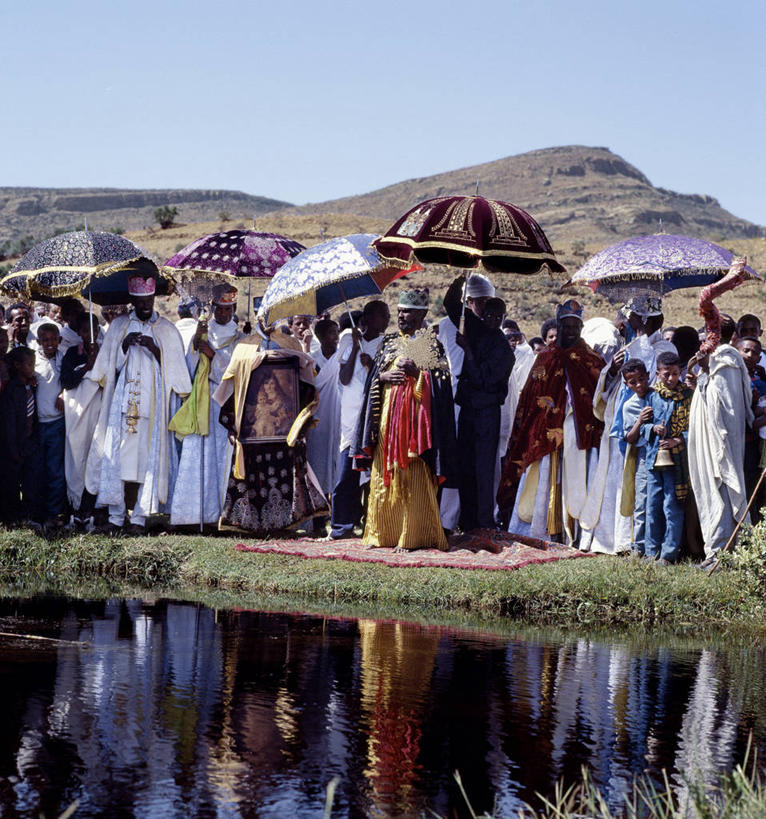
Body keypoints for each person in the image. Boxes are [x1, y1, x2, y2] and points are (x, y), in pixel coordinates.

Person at [85, 274, 191, 533]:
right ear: (132, 299)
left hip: (152, 407)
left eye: (149, 300)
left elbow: (179, 375)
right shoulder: (119, 326)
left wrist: (156, 350)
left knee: (149, 462)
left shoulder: (166, 329)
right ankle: (116, 516)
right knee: (116, 458)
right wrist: (123, 346)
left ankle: (140, 518)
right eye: (140, 300)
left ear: (154, 299)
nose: (145, 305)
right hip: (123, 406)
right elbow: (107, 369)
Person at [352, 288, 457, 550]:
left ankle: (413, 536)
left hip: (416, 430)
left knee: (413, 479)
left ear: (421, 314)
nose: (401, 316)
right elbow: (373, 380)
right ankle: (380, 534)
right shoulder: (387, 343)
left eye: (407, 311)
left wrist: (419, 374)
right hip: (386, 424)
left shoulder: (431, 345)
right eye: (399, 310)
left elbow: (443, 387)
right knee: (383, 473)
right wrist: (381, 377)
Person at [498, 300, 604, 544]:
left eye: (574, 327)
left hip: (578, 432)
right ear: (558, 325)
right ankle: (542, 529)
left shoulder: (590, 358)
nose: (569, 331)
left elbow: (597, 395)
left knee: (576, 480)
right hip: (545, 432)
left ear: (580, 328)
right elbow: (530, 398)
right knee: (543, 479)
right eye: (565, 326)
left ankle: (575, 532)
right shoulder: (545, 357)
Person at [213, 338, 328, 533]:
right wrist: (236, 427)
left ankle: (287, 525)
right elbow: (235, 395)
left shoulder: (289, 348)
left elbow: (304, 389)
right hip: (253, 441)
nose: (268, 387)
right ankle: (253, 525)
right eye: (264, 384)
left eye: (272, 384)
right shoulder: (246, 350)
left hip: (284, 441)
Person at [170, 284, 243, 527]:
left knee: (223, 455)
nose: (223, 314)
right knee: (200, 452)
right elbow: (190, 367)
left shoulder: (240, 338)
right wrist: (196, 342)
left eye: (227, 309)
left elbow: (238, 371)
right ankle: (195, 514)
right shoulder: (204, 331)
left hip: (226, 402)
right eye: (219, 309)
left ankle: (222, 512)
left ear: (233, 309)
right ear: (212, 308)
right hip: (202, 399)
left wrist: (214, 355)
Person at [444, 275, 514, 531]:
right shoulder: (475, 329)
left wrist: (468, 351)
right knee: (465, 465)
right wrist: (461, 278)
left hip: (486, 412)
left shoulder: (504, 350)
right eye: (488, 315)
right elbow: (451, 305)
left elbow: (485, 380)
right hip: (468, 410)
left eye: (497, 317)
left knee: (483, 468)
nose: (492, 320)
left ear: (503, 318)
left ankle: (484, 523)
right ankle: (467, 520)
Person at [688, 314, 753, 564]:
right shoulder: (716, 361)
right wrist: (702, 373)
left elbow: (723, 407)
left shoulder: (727, 361)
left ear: (714, 333)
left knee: (723, 491)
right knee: (711, 490)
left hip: (721, 443)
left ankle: (721, 553)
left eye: (708, 332)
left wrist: (705, 370)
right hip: (709, 440)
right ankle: (715, 550)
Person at [329, 300, 390, 539]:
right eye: (382, 315)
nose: (386, 320)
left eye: (387, 316)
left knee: (373, 473)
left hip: (373, 413)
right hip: (351, 413)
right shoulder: (348, 340)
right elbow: (344, 378)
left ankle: (370, 522)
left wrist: (371, 366)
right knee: (347, 471)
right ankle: (341, 525)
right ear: (368, 318)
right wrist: (355, 348)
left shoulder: (387, 345)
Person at [644, 352, 693, 564]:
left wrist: (678, 440)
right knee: (652, 505)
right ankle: (650, 550)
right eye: (667, 375)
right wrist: (651, 428)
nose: (671, 379)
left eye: (675, 374)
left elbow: (696, 427)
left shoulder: (689, 396)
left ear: (681, 372)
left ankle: (669, 553)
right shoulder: (652, 395)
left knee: (672, 506)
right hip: (654, 459)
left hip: (677, 461)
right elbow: (643, 423)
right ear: (658, 374)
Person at [60, 313, 102, 526]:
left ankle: (93, 506)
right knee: (76, 455)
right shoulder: (71, 353)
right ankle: (75, 506)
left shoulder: (105, 351)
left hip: (97, 408)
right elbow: (67, 381)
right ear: (79, 332)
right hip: (77, 410)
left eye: (93, 329)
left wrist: (98, 362)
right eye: (85, 331)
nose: (89, 335)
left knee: (96, 456)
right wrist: (87, 365)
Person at [0, 346, 43, 526]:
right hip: (14, 446)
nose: (33, 367)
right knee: (11, 483)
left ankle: (28, 515)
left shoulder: (30, 385)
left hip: (29, 443)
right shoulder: (12, 390)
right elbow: (8, 423)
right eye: (30, 364)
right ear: (17, 365)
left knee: (30, 481)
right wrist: (12, 448)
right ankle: (11, 518)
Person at [619, 358, 655, 557]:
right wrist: (640, 421)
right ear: (627, 384)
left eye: (642, 379)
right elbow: (630, 438)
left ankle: (656, 545)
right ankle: (638, 546)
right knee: (642, 502)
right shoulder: (629, 406)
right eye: (633, 382)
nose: (639, 385)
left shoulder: (658, 396)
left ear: (648, 376)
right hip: (642, 456)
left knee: (660, 501)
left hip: (662, 453)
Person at [35, 322, 67, 525]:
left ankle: (54, 513)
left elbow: (70, 382)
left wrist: (64, 393)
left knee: (55, 469)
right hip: (36, 425)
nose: (50, 343)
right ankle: (37, 511)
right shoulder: (33, 361)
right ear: (38, 341)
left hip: (56, 423)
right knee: (37, 470)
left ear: (60, 340)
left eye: (53, 339)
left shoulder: (63, 360)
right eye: (45, 340)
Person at [307, 318, 342, 499]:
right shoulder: (311, 359)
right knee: (318, 457)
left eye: (337, 332)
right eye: (331, 332)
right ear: (320, 336)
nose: (336, 337)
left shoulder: (343, 357)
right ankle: (318, 504)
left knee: (336, 457)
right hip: (318, 417)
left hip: (338, 413)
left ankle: (335, 506)